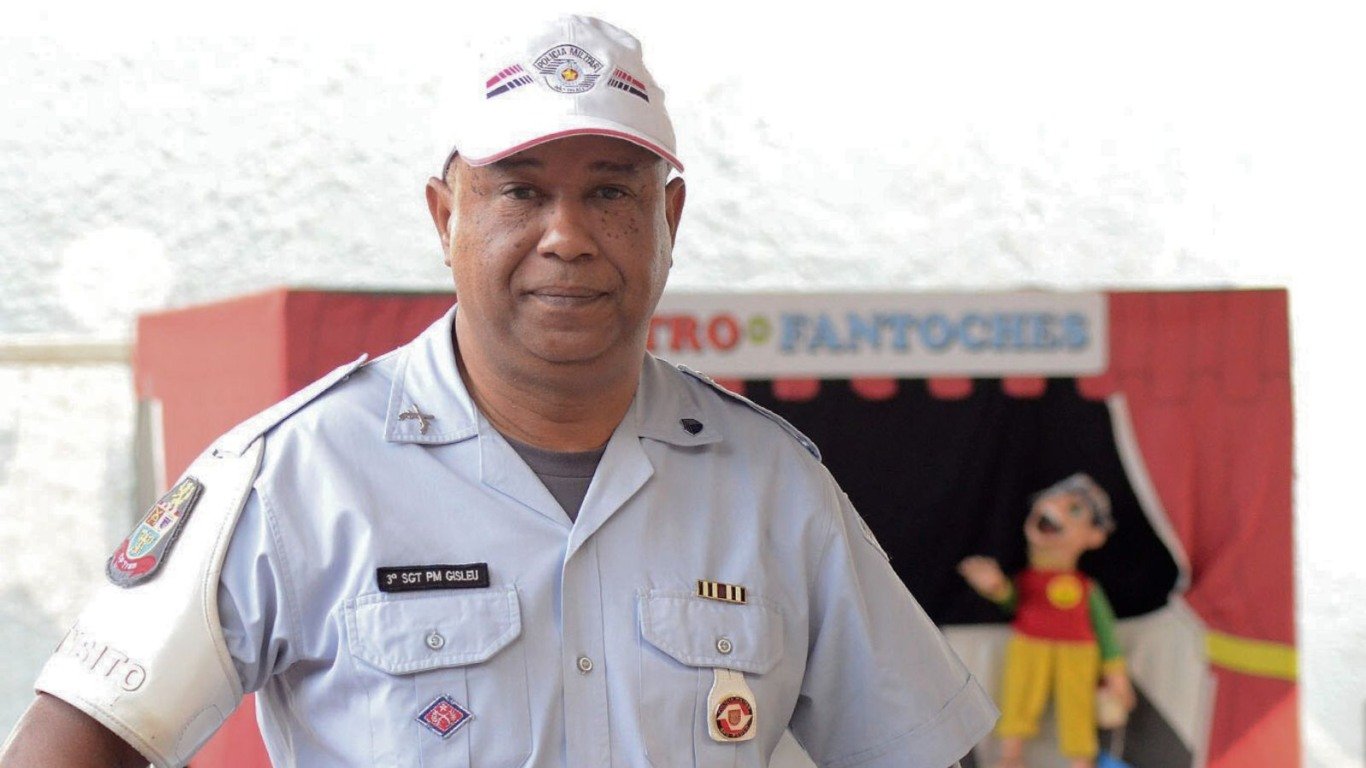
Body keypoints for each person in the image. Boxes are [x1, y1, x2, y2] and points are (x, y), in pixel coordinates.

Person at [2, 15, 996, 768]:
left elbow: (928, 747)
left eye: (610, 191)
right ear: (446, 217)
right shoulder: (298, 476)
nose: (567, 235)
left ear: (670, 218)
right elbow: (74, 741)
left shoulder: (771, 487)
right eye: (521, 191)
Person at [958, 473, 1135, 768]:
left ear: (1095, 536)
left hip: (1078, 654)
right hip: (1030, 645)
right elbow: (1014, 600)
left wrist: (1116, 673)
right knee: (1019, 699)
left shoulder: (1087, 588)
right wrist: (996, 587)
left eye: (1075, 509)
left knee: (1077, 710)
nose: (1055, 508)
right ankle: (1010, 757)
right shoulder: (1028, 580)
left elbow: (1105, 631)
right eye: (1051, 501)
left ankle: (1082, 761)